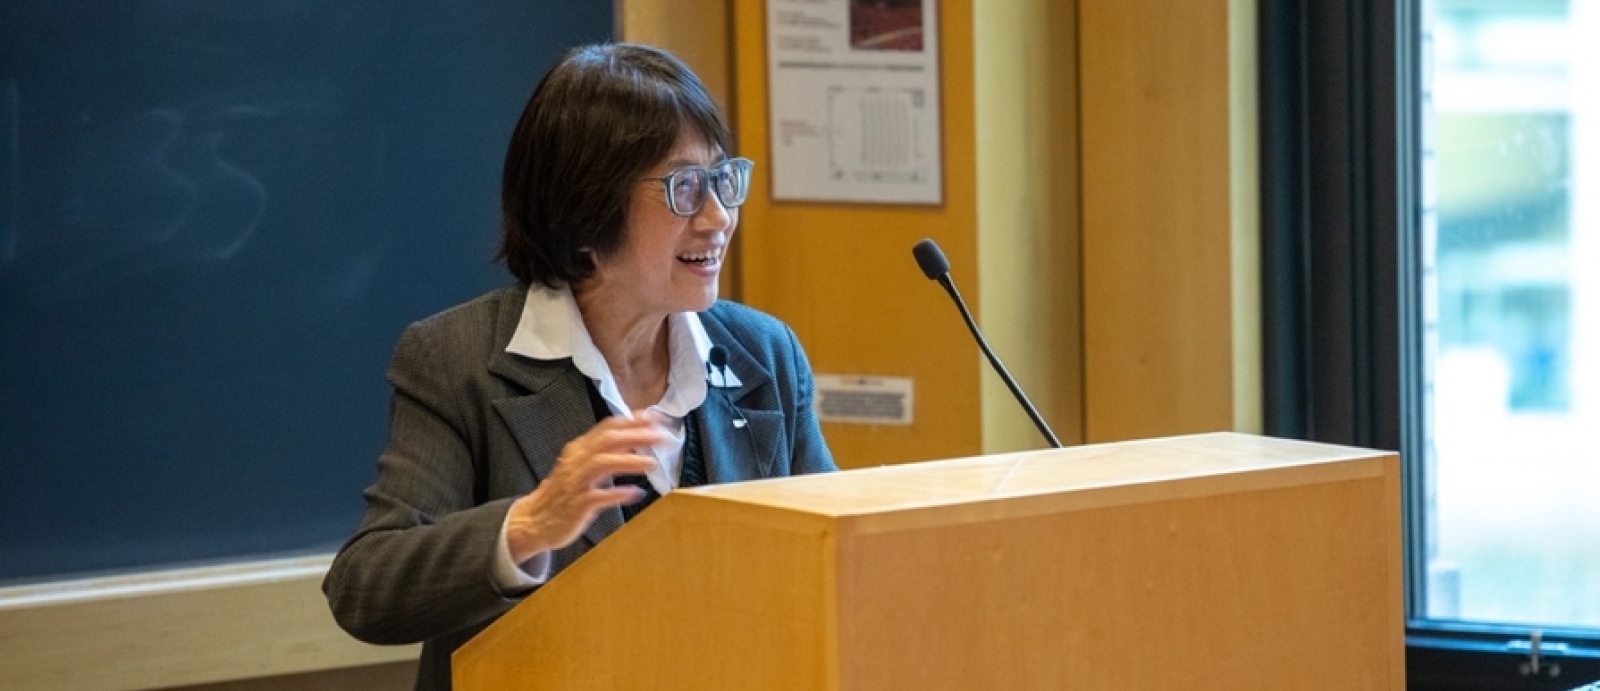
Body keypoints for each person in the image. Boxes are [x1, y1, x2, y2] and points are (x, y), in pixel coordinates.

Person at [322, 42, 837, 691]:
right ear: (586, 210)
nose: (719, 218)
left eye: (723, 180)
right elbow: (365, 588)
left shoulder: (763, 353)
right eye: (685, 188)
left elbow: (834, 555)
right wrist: (529, 525)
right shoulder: (461, 362)